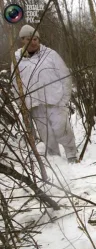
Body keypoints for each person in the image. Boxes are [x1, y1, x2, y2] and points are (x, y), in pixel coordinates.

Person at [11, 25, 78, 163]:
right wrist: (21, 103)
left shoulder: (50, 54)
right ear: (23, 40)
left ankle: (72, 154)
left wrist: (64, 98)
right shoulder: (16, 59)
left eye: (35, 39)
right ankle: (55, 160)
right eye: (29, 39)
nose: (33, 42)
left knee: (62, 129)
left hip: (55, 101)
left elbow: (65, 75)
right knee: (46, 134)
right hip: (34, 104)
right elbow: (15, 83)